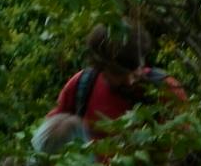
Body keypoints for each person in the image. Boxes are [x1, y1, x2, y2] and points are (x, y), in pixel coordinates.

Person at [38, 21, 187, 154]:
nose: (130, 81)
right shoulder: (82, 85)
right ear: (100, 68)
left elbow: (185, 149)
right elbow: (49, 137)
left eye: (136, 70)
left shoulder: (167, 91)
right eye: (118, 74)